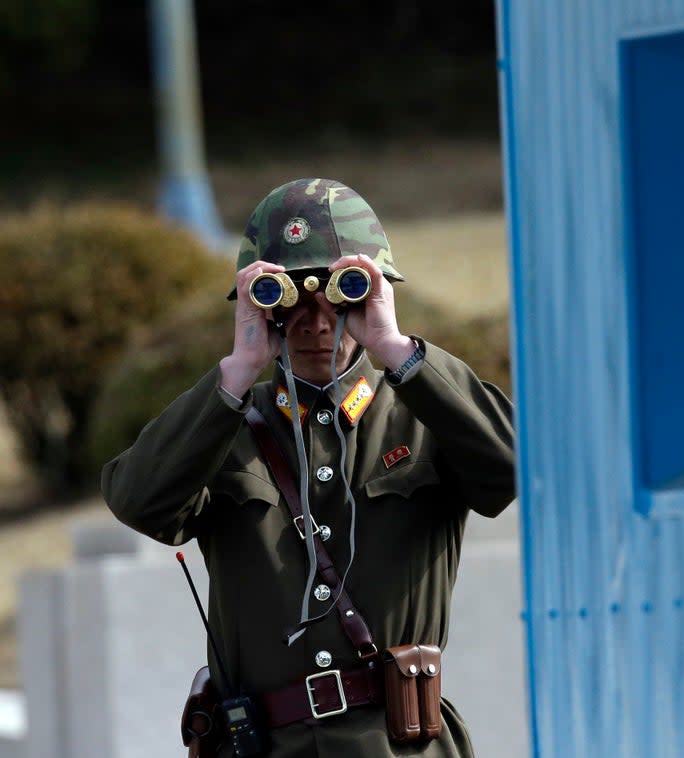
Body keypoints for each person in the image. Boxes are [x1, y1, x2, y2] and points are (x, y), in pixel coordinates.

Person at [102, 178, 516, 757]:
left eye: (340, 293)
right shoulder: (226, 434)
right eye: (288, 297)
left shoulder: (423, 420)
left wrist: (397, 349)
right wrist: (239, 368)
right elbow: (138, 502)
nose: (315, 320)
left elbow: (514, 468)